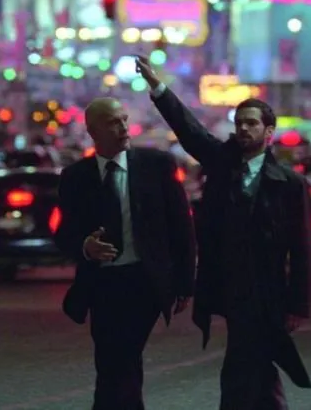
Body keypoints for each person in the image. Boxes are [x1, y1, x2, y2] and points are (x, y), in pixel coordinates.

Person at [136, 55, 311, 410]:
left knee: (248, 363)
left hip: (269, 291)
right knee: (252, 361)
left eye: (252, 123)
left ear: (269, 132)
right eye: (239, 123)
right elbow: (190, 131)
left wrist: (298, 304)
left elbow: (302, 249)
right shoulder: (222, 163)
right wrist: (158, 89)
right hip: (230, 285)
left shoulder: (290, 185)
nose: (244, 129)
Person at [54, 97, 196, 410]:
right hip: (102, 283)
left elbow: (181, 226)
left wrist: (185, 283)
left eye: (124, 120)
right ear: (93, 131)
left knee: (123, 354)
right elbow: (64, 233)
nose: (122, 127)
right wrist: (85, 246)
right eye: (112, 122)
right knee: (112, 360)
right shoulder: (76, 177)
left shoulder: (156, 165)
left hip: (144, 280)